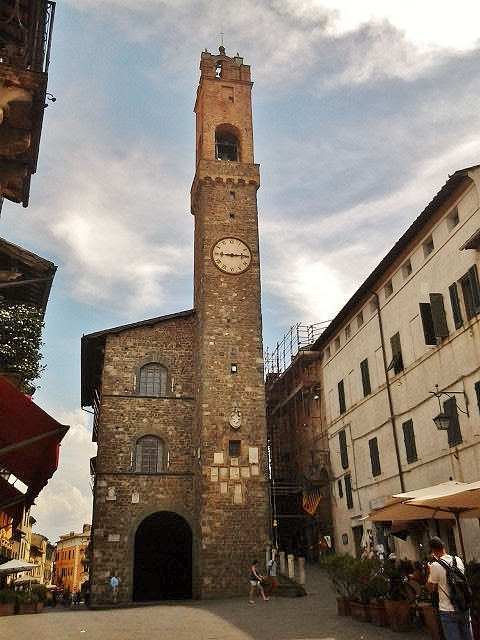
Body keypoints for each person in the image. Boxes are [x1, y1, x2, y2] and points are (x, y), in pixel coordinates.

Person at [426, 536, 473, 640]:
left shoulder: (435, 565)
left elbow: (430, 588)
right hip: (463, 606)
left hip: (447, 610)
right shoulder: (458, 560)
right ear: (443, 546)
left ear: (433, 551)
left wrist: (430, 571)